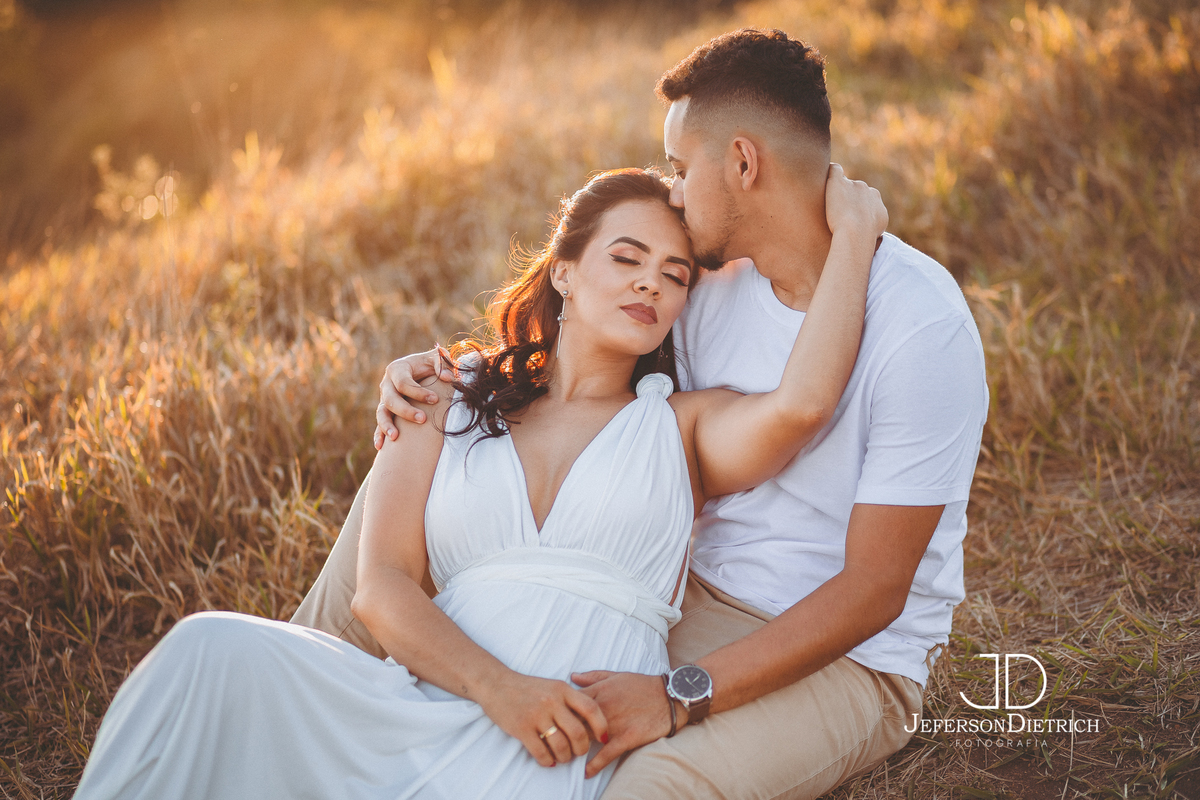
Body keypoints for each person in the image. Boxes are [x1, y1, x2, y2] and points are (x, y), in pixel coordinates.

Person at [301, 28, 988, 800]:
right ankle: (295, 682)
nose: (673, 193)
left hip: (844, 649)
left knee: (646, 784)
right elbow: (580, 358)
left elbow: (874, 590)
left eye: (680, 168)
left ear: (743, 163)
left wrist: (678, 694)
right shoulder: (706, 283)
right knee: (417, 468)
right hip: (682, 596)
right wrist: (434, 380)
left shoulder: (920, 325)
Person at [74, 164, 887, 800]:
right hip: (430, 699)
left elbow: (805, 403)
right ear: (563, 273)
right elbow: (381, 586)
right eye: (626, 258)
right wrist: (502, 690)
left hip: (564, 735)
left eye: (674, 275)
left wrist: (853, 235)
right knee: (206, 648)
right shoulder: (447, 391)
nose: (650, 283)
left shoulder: (681, 428)